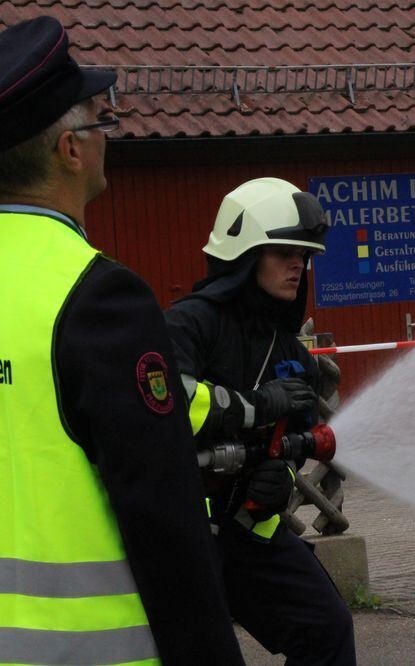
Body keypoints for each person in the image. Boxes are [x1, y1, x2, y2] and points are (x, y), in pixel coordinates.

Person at [0, 16, 244, 665]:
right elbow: (162, 516)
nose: (108, 140)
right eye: (100, 124)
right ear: (70, 151)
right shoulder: (99, 300)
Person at [164, 177, 356, 665]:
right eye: (284, 252)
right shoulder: (188, 325)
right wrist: (254, 406)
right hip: (181, 533)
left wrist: (282, 476)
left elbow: (297, 438)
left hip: (250, 529)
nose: (298, 264)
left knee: (327, 627)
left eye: (305, 255)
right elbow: (164, 404)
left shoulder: (291, 351)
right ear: (242, 253)